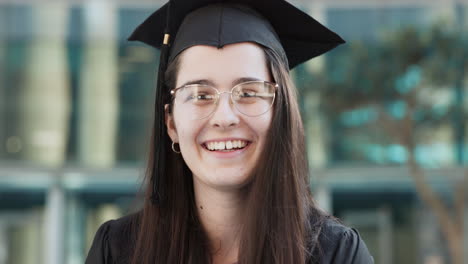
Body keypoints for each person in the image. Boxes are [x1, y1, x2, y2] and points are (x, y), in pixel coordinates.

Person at [85, 0, 374, 263]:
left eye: (248, 93)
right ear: (170, 122)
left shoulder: (337, 254)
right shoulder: (119, 251)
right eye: (200, 95)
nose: (224, 117)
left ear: (281, 114)